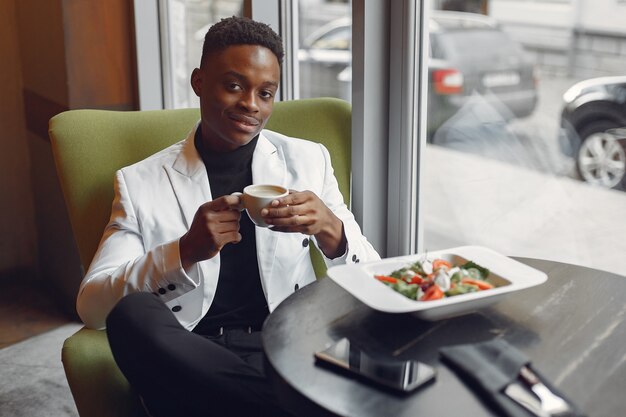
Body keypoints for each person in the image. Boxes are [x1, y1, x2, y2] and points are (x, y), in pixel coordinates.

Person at [77, 16, 380, 417]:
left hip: (287, 346)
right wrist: (183, 251)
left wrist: (330, 229)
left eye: (266, 92)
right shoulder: (140, 182)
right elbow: (93, 305)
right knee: (132, 316)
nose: (251, 105)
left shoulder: (309, 161)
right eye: (234, 85)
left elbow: (374, 276)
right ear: (199, 82)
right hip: (190, 355)